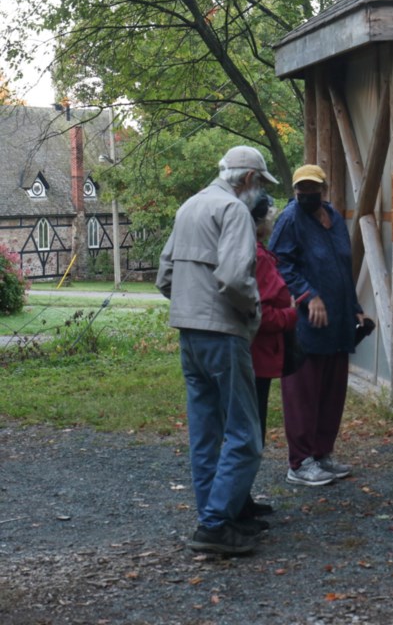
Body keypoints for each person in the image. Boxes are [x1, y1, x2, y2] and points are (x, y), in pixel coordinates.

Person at [156, 145, 277, 555]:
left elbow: (165, 276)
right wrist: (254, 313)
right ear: (246, 179)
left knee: (205, 434)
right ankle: (214, 525)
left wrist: (190, 305)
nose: (259, 192)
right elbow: (233, 277)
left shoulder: (189, 206)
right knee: (245, 434)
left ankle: (215, 517)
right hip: (224, 333)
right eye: (259, 183)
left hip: (189, 335)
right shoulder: (234, 212)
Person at [269, 164, 365, 487]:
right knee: (303, 391)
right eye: (301, 190)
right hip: (307, 324)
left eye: (312, 189)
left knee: (332, 390)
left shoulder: (334, 218)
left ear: (323, 189)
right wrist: (309, 295)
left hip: (338, 322)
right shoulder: (290, 220)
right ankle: (300, 462)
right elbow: (279, 264)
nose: (306, 195)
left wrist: (355, 308)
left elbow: (342, 265)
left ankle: (322, 454)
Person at [243, 193, 298, 516]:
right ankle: (238, 500)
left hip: (256, 352)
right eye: (269, 217)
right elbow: (261, 312)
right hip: (257, 353)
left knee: (250, 426)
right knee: (250, 428)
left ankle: (242, 497)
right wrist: (291, 314)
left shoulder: (257, 252)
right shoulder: (258, 256)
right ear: (261, 221)